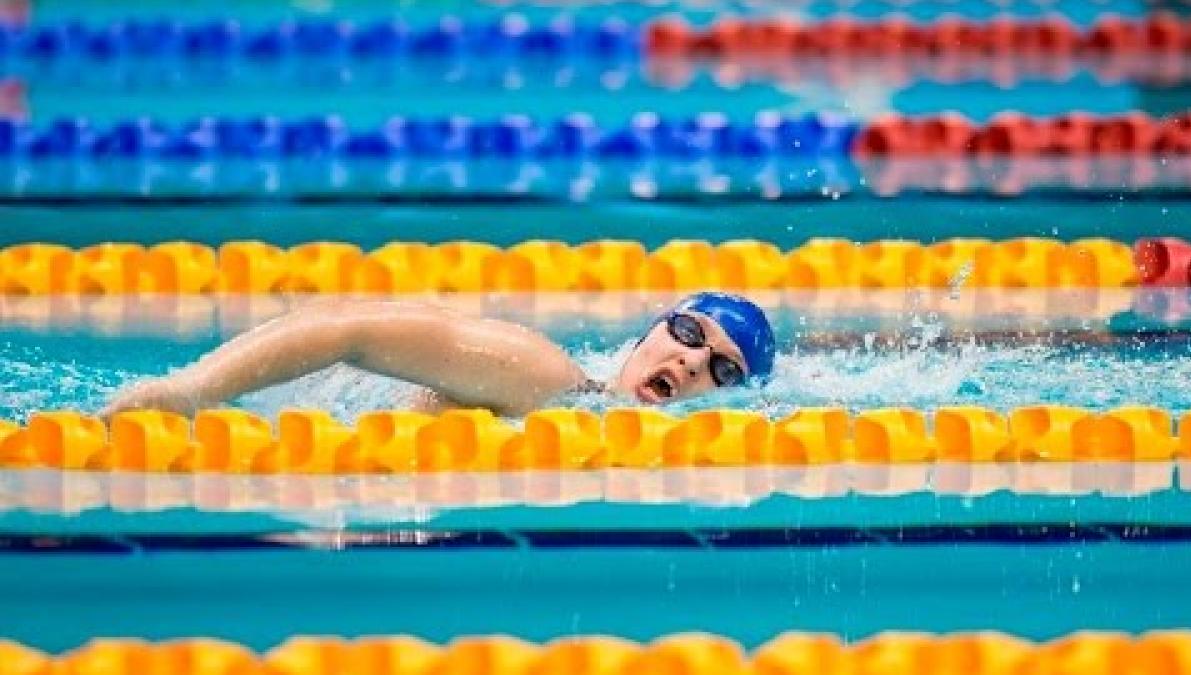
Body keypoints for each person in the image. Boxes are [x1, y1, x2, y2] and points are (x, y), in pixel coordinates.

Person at [101, 291, 776, 418]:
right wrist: (192, 387)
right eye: (689, 335)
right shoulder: (545, 379)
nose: (692, 362)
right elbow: (350, 324)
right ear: (646, 336)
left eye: (722, 370)